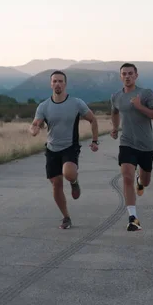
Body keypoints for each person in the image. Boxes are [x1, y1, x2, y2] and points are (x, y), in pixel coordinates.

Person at [29, 70, 100, 229]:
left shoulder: (76, 103)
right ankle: (66, 217)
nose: (57, 84)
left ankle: (74, 182)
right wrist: (34, 129)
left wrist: (95, 140)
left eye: (60, 81)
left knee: (68, 173)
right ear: (50, 84)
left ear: (65, 84)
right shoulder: (44, 106)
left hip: (70, 146)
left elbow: (92, 119)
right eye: (54, 81)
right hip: (52, 149)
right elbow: (35, 124)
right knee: (56, 184)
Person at [110, 63, 153, 231]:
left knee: (146, 180)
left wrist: (140, 106)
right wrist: (114, 127)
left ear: (136, 75)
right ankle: (133, 218)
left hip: (146, 145)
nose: (127, 76)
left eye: (130, 73)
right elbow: (114, 112)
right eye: (124, 74)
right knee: (126, 176)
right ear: (120, 76)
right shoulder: (116, 96)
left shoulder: (146, 93)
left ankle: (141, 181)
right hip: (127, 143)